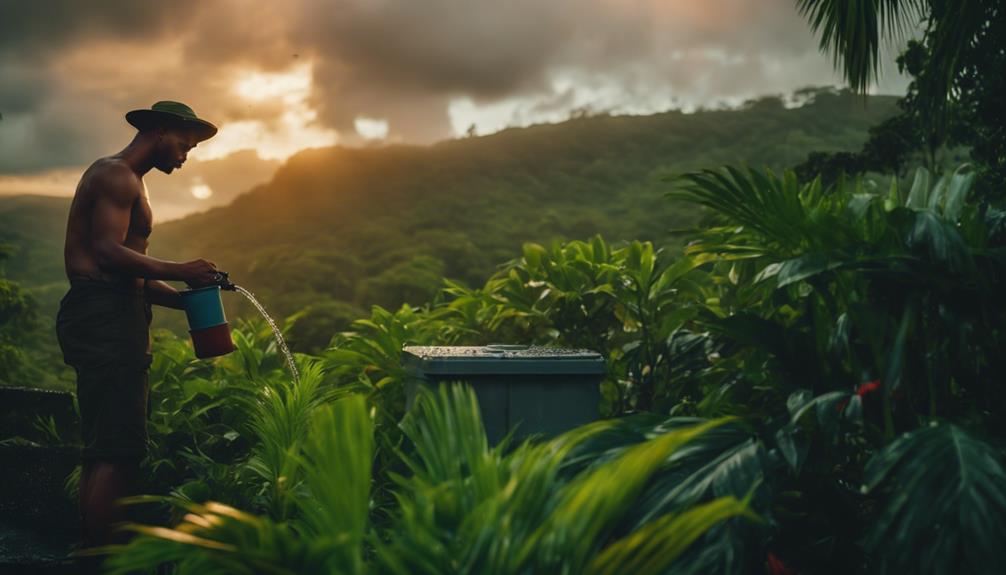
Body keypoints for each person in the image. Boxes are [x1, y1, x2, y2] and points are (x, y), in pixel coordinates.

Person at [56, 101, 223, 569]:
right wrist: (183, 268)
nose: (187, 155)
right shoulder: (117, 176)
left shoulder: (131, 181)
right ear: (161, 131)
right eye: (185, 145)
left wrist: (190, 296)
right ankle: (102, 558)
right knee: (119, 448)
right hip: (105, 316)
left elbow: (136, 278)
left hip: (115, 312)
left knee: (106, 446)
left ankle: (91, 550)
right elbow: (107, 255)